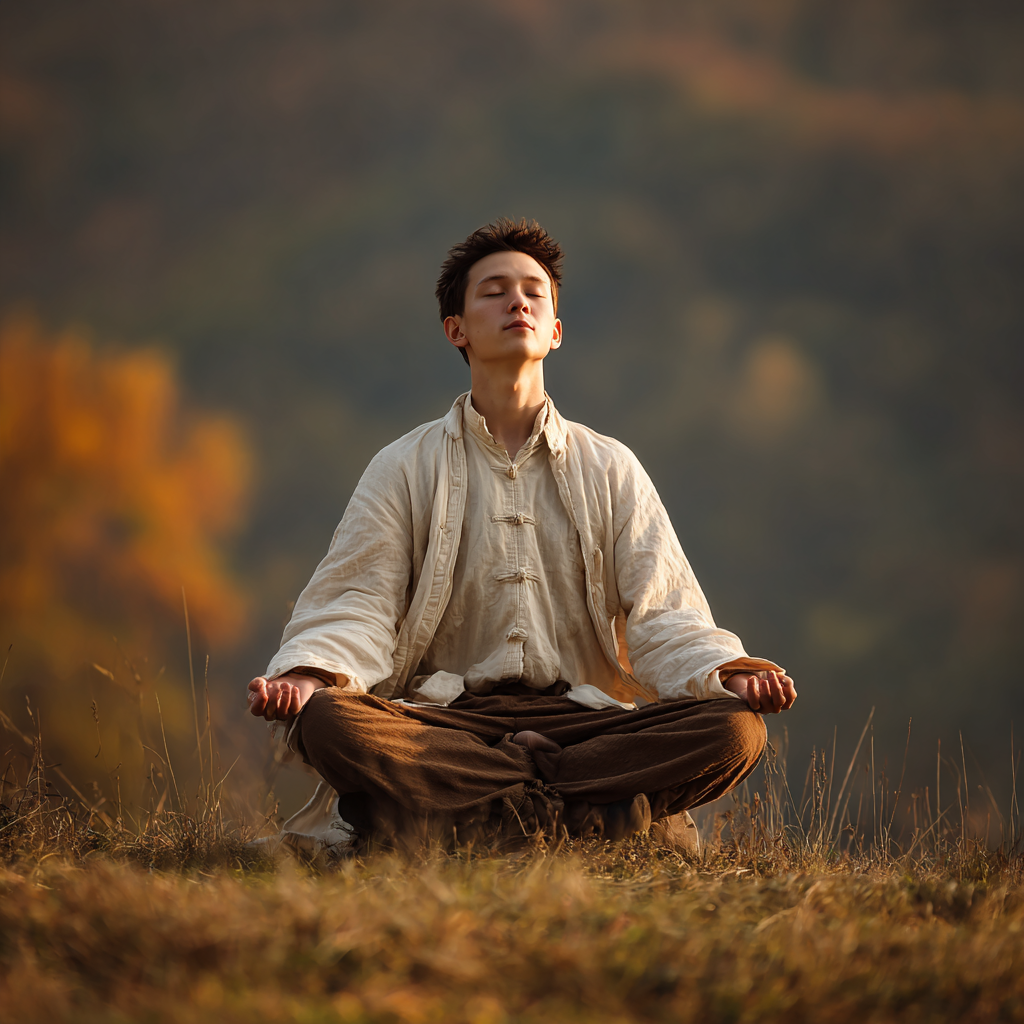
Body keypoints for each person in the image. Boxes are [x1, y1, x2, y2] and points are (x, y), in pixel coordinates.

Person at [247, 218, 796, 856]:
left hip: (586, 729)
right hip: (445, 728)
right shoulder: (403, 465)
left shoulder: (610, 465)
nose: (518, 302)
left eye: (535, 292)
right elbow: (358, 602)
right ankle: (579, 815)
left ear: (555, 331)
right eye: (494, 291)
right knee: (331, 722)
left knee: (736, 731)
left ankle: (478, 814)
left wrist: (723, 673)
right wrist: (314, 675)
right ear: (456, 329)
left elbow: (663, 612)